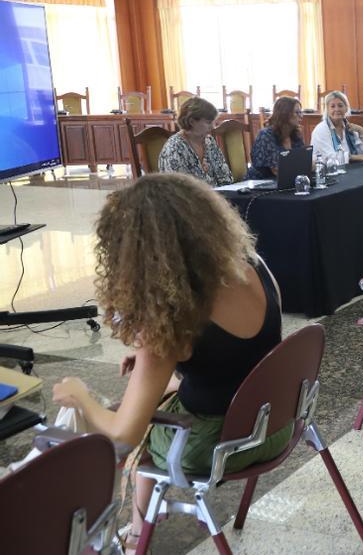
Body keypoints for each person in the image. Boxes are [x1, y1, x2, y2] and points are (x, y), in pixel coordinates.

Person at [50, 173, 292, 552]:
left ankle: (130, 532)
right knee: (161, 391)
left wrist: (80, 395)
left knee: (121, 425)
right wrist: (161, 362)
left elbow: (122, 434)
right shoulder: (253, 266)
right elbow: (245, 357)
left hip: (220, 446)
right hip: (275, 422)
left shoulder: (175, 314)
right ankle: (138, 526)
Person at [158, 97, 233, 187]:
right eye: (208, 122)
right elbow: (178, 191)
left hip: (215, 198)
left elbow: (225, 177)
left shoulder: (209, 141)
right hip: (188, 200)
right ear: (192, 122)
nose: (213, 127)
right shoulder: (174, 148)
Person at [248, 96, 305, 179]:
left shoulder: (295, 135)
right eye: (297, 112)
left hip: (284, 182)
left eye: (301, 112)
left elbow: (304, 161)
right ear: (284, 114)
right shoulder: (265, 135)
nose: (301, 116)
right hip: (260, 185)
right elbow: (277, 170)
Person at [311, 90, 363, 165]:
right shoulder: (321, 130)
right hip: (329, 172)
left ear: (346, 108)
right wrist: (357, 157)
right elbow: (331, 158)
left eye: (340, 105)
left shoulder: (348, 126)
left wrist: (361, 131)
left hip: (348, 169)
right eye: (332, 106)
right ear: (327, 110)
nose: (337, 109)